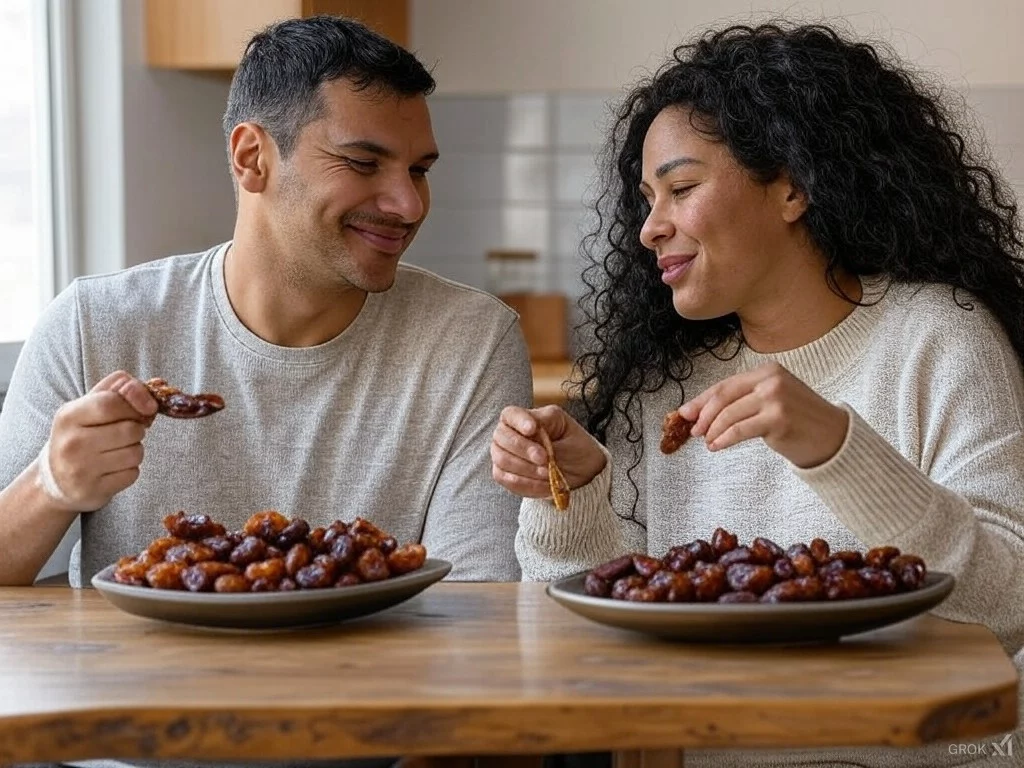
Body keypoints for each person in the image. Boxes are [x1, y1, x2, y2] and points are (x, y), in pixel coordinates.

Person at [491, 22, 1024, 767]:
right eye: (647, 199)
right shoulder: (664, 383)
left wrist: (836, 447)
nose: (649, 229)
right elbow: (587, 646)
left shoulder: (938, 339)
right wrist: (575, 496)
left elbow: (1005, 613)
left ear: (793, 187)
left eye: (680, 188)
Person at [0, 14, 532, 593]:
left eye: (420, 171)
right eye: (362, 162)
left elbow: (477, 609)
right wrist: (51, 486)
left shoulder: (472, 341)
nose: (408, 204)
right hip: (143, 685)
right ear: (252, 157)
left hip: (377, 685)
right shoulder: (91, 325)